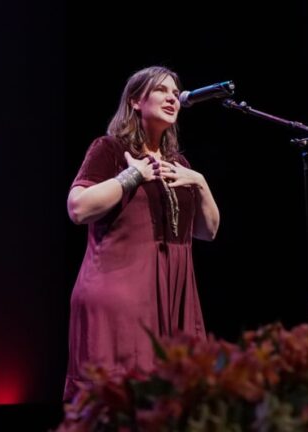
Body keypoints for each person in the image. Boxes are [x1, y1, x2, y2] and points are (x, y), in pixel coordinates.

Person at [63, 66, 220, 400]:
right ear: (135, 100)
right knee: (124, 399)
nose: (172, 98)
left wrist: (201, 183)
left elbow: (207, 232)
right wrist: (130, 177)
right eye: (161, 90)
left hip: (174, 295)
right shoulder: (110, 150)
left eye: (175, 93)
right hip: (122, 292)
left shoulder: (180, 164)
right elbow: (77, 208)